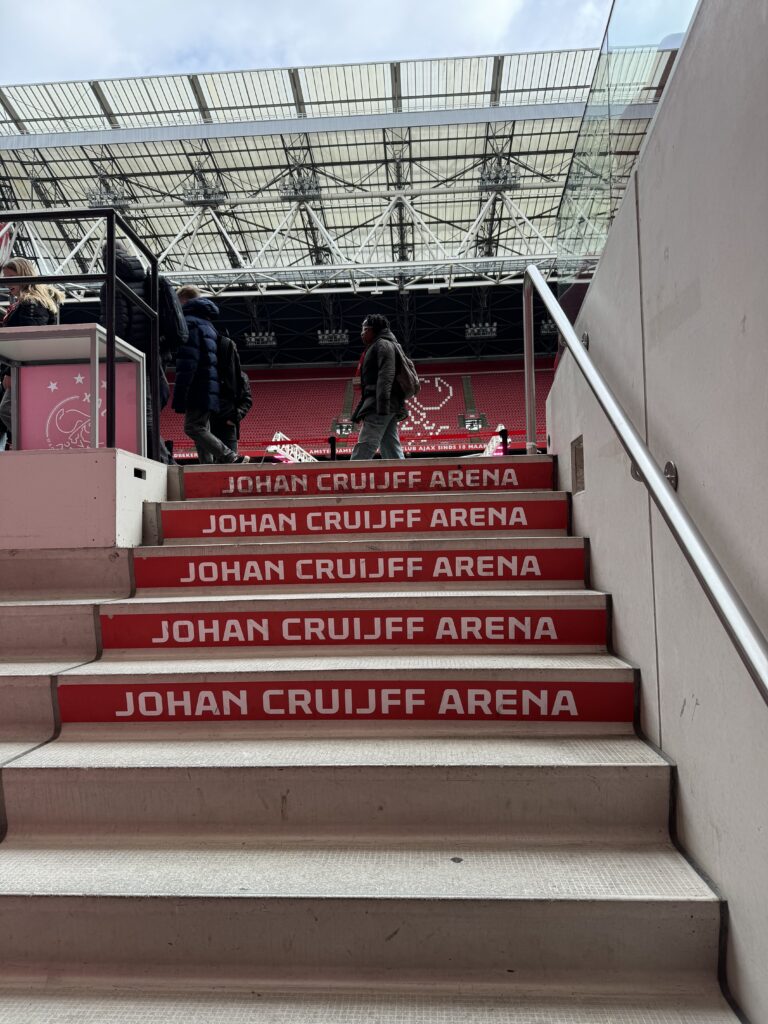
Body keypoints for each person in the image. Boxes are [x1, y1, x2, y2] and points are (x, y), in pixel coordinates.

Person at [98, 240, 176, 463]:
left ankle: (161, 459)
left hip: (131, 355)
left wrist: (112, 353)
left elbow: (116, 325)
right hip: (155, 353)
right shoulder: (146, 279)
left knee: (143, 411)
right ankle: (159, 457)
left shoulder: (112, 283)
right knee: (147, 408)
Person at [173, 292, 249, 465]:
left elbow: (188, 362)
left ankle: (230, 456)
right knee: (202, 427)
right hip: (208, 384)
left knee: (193, 427)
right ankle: (206, 467)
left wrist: (181, 394)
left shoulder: (190, 323)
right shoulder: (207, 324)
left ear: (185, 300)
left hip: (198, 384)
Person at [0, 258, 64, 447]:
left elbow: (28, 341)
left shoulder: (31, 304)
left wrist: (11, 372)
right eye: (5, 278)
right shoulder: (30, 303)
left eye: (11, 277)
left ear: (24, 276)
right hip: (21, 368)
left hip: (24, 369)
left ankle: (33, 444)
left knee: (8, 409)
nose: (6, 283)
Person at [350, 313, 406, 460]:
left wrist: (381, 408)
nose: (362, 333)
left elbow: (386, 377)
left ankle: (351, 478)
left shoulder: (382, 345)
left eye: (364, 329)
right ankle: (402, 479)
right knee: (391, 446)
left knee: (366, 443)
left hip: (380, 404)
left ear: (372, 329)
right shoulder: (383, 344)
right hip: (387, 404)